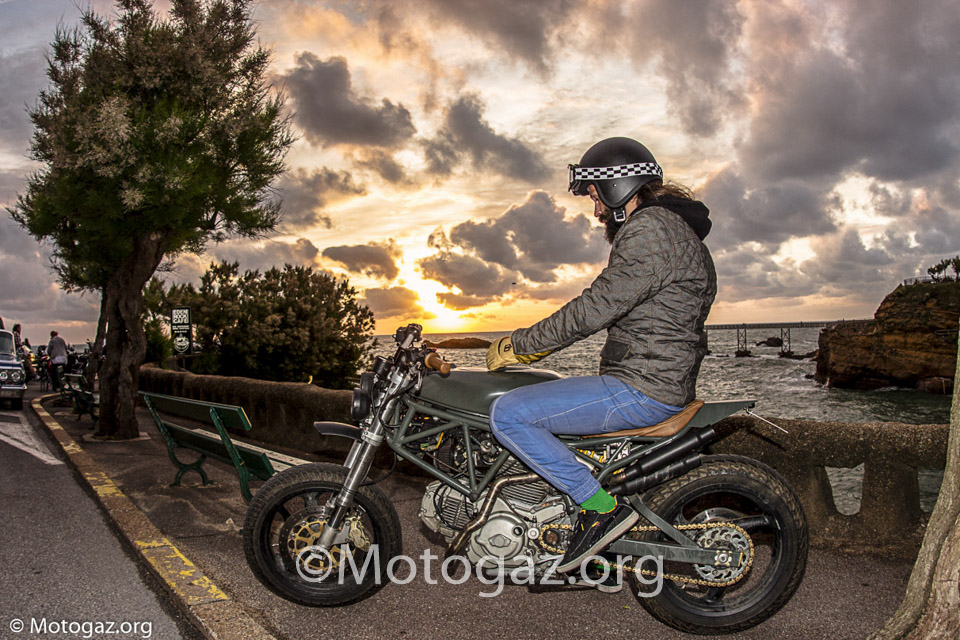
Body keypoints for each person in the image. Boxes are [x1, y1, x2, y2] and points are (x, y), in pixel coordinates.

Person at [486, 136, 716, 574]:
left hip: (642, 388)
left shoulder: (651, 230)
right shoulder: (674, 231)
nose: (595, 212)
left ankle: (600, 509)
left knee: (509, 414)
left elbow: (595, 307)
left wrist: (520, 345)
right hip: (656, 379)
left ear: (617, 187)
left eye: (595, 197)